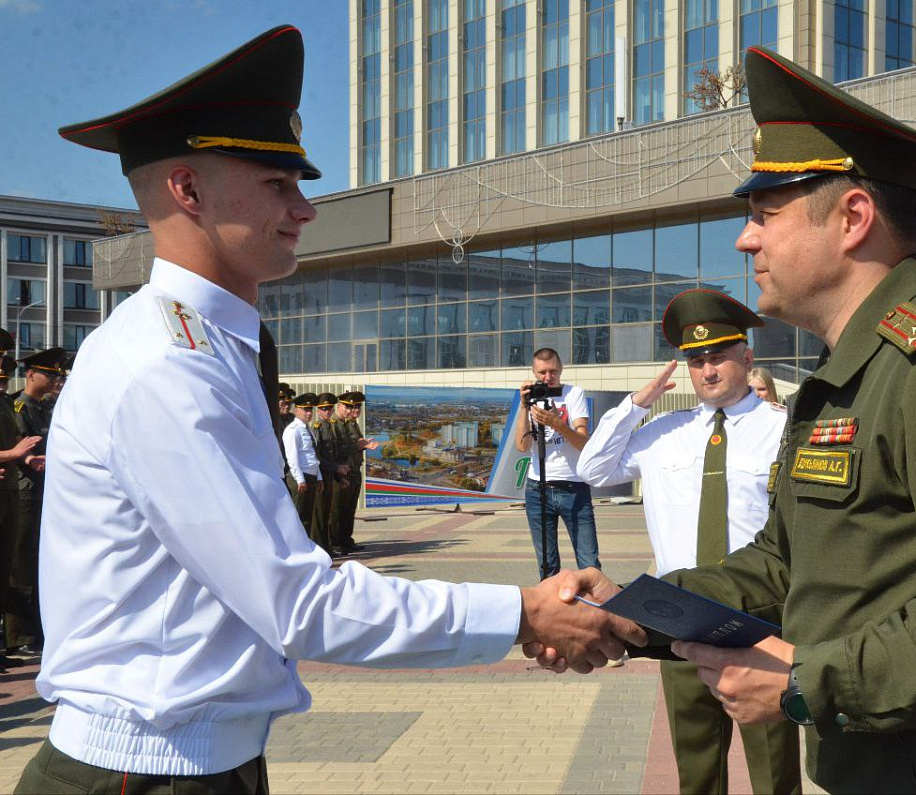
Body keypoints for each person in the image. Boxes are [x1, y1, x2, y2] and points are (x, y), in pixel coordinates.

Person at [21, 26, 642, 793]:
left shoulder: (205, 345)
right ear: (187, 189)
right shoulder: (164, 364)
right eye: (277, 183)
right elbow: (295, 601)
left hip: (190, 760)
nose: (304, 208)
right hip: (141, 770)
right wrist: (522, 613)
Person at [536, 47, 916, 793]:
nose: (746, 239)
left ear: (853, 218)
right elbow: (787, 565)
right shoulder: (850, 374)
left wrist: (811, 681)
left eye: (764, 215)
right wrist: (636, 611)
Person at [577, 289, 801, 795]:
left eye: (718, 356)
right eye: (696, 361)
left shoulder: (784, 431)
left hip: (759, 619)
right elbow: (593, 469)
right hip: (677, 616)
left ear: (747, 358)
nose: (707, 370)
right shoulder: (663, 432)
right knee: (696, 770)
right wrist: (636, 404)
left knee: (774, 772)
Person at [513, 347, 600, 580]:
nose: (548, 378)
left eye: (552, 371)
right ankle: (553, 601)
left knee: (589, 562)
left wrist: (557, 423)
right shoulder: (529, 399)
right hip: (537, 488)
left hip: (573, 486)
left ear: (560, 369)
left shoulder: (574, 394)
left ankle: (595, 601)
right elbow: (522, 446)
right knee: (547, 564)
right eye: (542, 373)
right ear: (533, 373)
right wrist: (523, 406)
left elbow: (583, 443)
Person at [8, 346, 64, 655]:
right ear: (30, 375)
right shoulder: (20, 407)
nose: (56, 380)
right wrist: (29, 458)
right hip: (25, 492)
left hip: (46, 492)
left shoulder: (46, 408)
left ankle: (39, 631)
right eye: (49, 374)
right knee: (22, 565)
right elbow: (19, 448)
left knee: (41, 562)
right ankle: (20, 637)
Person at [0, 339, 40, 672]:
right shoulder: (13, 403)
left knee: (6, 568)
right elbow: (13, 448)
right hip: (14, 489)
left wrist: (22, 457)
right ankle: (16, 637)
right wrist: (14, 454)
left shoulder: (3, 402)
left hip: (12, 490)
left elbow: (15, 444)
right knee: (17, 569)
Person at [333, 390, 376, 553]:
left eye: (358, 407)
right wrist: (360, 445)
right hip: (343, 471)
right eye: (351, 407)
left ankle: (346, 539)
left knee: (349, 508)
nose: (355, 410)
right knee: (339, 509)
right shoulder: (337, 424)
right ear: (341, 407)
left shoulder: (351, 424)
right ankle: (337, 542)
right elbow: (341, 448)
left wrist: (362, 445)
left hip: (354, 470)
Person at [283, 392, 322, 541]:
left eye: (310, 409)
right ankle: (296, 546)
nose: (309, 413)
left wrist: (319, 477)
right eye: (305, 409)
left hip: (311, 476)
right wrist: (300, 480)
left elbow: (313, 455)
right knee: (298, 518)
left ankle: (305, 547)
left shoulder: (308, 429)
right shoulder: (293, 430)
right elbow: (292, 458)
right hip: (300, 478)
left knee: (307, 517)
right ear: (296, 410)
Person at [310, 392, 346, 554]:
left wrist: (338, 476)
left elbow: (332, 455)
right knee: (319, 515)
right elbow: (318, 456)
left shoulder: (329, 427)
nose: (327, 412)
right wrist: (335, 469)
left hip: (330, 475)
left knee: (326, 514)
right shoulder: (316, 428)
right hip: (321, 475)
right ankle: (320, 549)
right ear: (318, 410)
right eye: (324, 409)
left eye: (330, 409)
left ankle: (327, 547)